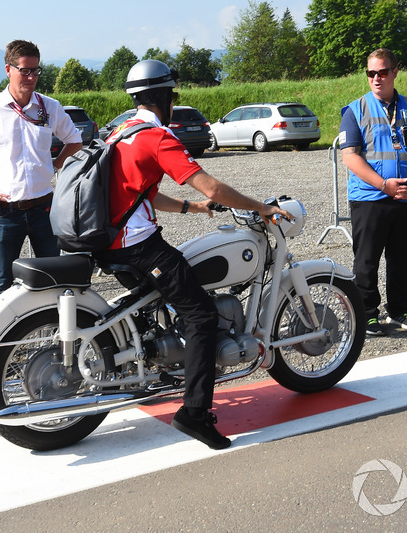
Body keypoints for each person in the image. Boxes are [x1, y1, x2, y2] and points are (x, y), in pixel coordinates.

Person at [96, 59, 292, 449]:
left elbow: (143, 194)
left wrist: (190, 208)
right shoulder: (156, 136)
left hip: (111, 238)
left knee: (175, 300)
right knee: (200, 314)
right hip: (137, 245)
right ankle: (194, 413)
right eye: (172, 96)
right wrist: (261, 207)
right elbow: (214, 188)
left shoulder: (121, 132)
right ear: (165, 96)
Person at [0, 39, 83, 300]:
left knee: (53, 279)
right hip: (6, 211)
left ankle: (56, 337)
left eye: (36, 70)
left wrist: (55, 164)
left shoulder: (49, 107)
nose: (31, 77)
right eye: (25, 70)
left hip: (45, 208)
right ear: (8, 70)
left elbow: (75, 141)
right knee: (2, 283)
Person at [338, 48, 407, 337]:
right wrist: (383, 185)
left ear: (394, 73)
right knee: (366, 261)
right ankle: (366, 315)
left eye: (381, 72)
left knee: (401, 259)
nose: (376, 78)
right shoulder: (355, 110)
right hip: (370, 199)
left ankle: (399, 311)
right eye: (370, 73)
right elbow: (350, 157)